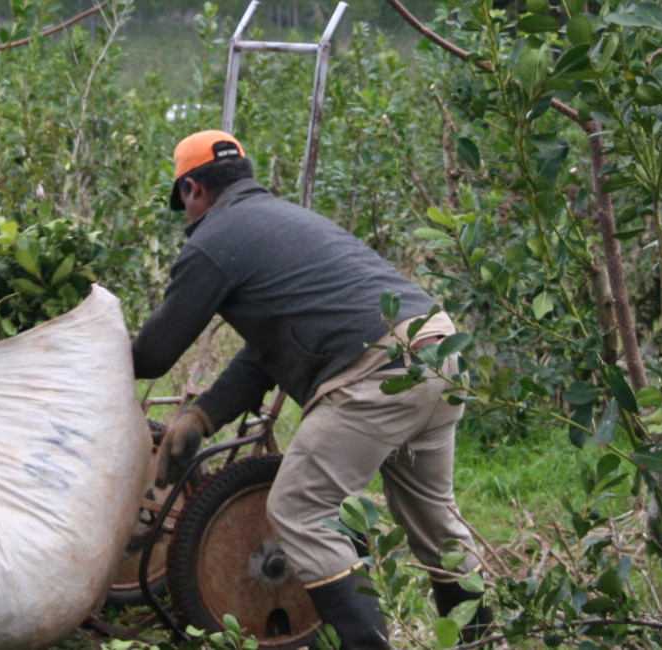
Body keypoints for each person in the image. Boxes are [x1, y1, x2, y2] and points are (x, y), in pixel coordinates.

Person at [130, 130, 493, 648]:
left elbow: (153, 355)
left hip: (376, 372)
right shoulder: (287, 220)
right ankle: (480, 642)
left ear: (193, 190)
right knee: (437, 525)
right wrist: (204, 415)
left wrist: (92, 354)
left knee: (300, 511)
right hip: (437, 348)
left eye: (184, 202)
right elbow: (267, 351)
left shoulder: (213, 240)